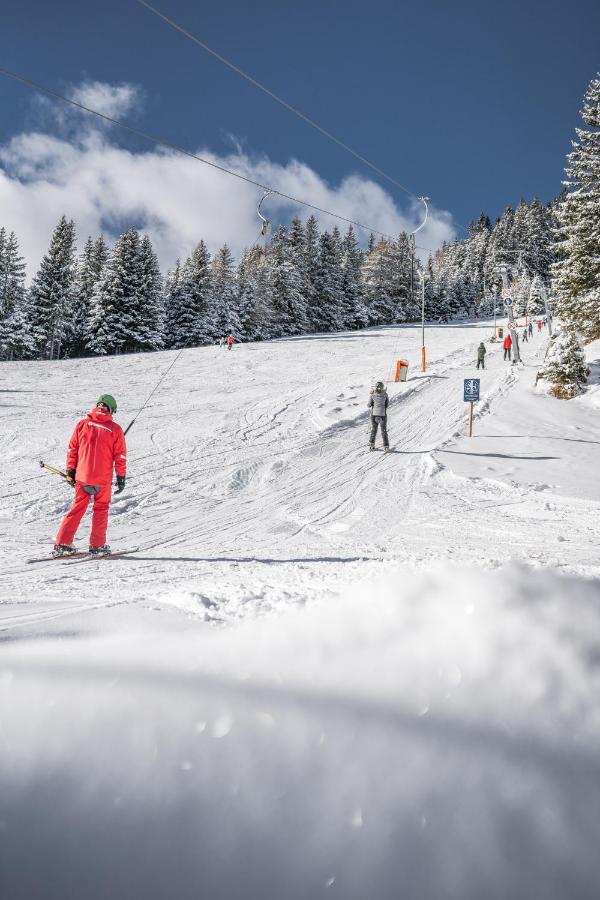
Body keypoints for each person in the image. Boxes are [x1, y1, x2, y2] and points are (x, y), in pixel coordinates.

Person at [53, 394, 127, 556]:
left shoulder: (82, 424)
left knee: (77, 508)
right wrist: (121, 478)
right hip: (102, 479)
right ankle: (97, 545)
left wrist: (71, 471)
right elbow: (120, 456)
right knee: (101, 509)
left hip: (82, 477)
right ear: (110, 409)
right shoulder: (116, 429)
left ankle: (62, 543)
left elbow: (73, 449)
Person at [368, 381, 390, 452]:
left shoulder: (372, 395)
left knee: (374, 429)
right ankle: (386, 446)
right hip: (383, 414)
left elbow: (368, 405)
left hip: (374, 414)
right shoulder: (385, 394)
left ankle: (372, 445)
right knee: (383, 430)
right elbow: (387, 405)